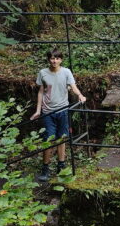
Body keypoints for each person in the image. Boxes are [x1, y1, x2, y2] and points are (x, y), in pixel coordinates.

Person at [31, 48, 86, 181]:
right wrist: (38, 111)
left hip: (63, 110)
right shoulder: (43, 73)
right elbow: (41, 92)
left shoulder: (66, 72)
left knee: (62, 138)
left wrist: (80, 95)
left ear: (61, 60)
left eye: (57, 58)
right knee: (48, 140)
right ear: (48, 59)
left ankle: (61, 166)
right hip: (48, 111)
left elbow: (73, 86)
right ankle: (45, 168)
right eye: (52, 58)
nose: (54, 61)